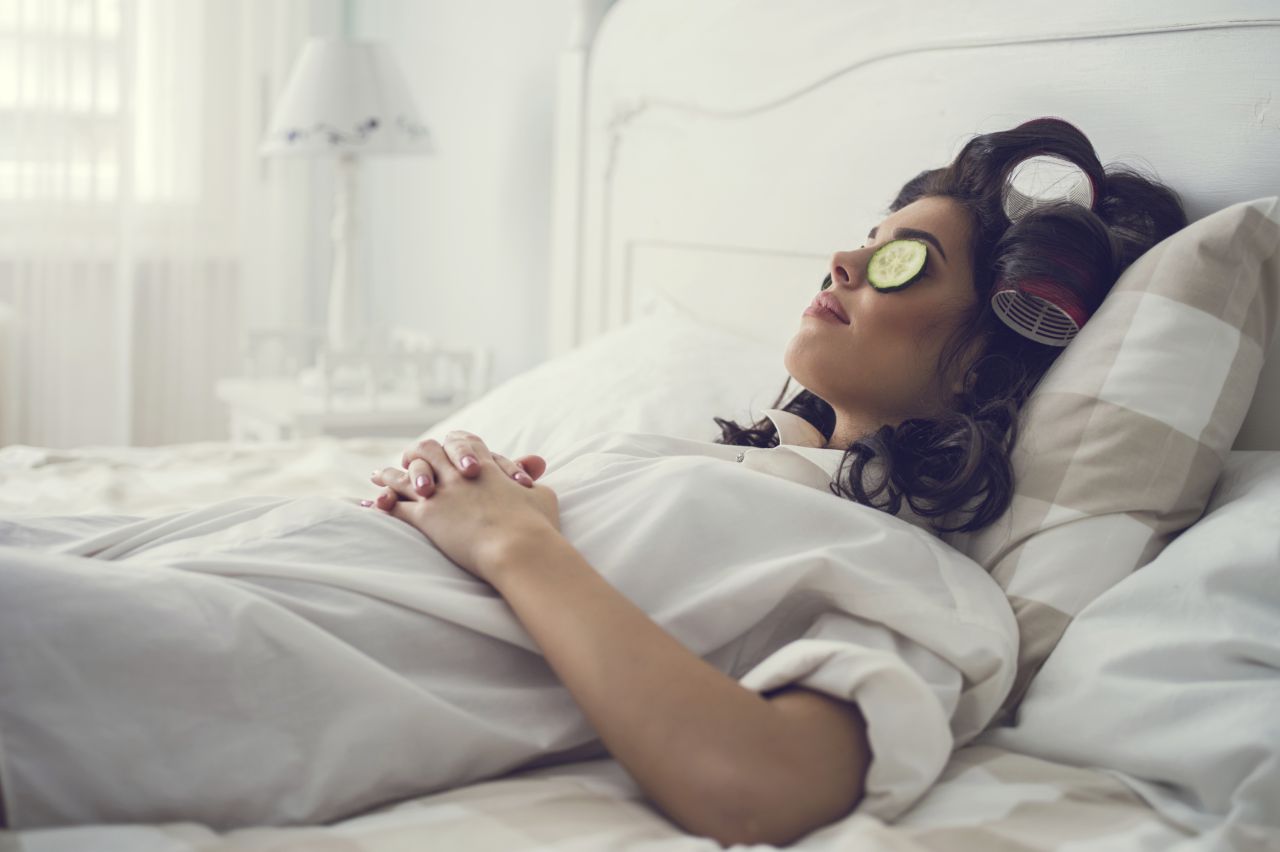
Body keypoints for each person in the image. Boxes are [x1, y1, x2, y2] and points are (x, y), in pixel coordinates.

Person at [0, 119, 1185, 846]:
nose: (839, 260)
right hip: (223, 555)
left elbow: (762, 787)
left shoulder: (918, 581)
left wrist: (517, 546)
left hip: (255, 646)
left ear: (990, 349)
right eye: (862, 234)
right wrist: (473, 502)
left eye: (899, 259)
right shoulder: (719, 459)